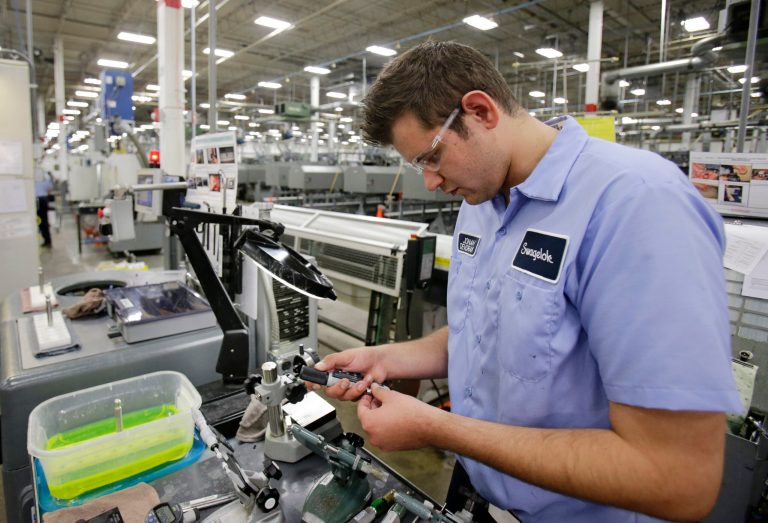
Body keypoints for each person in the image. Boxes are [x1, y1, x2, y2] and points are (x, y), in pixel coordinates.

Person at [310, 41, 742, 523]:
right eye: (418, 166)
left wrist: (439, 428)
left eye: (431, 157)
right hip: (484, 500)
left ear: (479, 110)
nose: (429, 182)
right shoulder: (480, 203)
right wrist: (389, 357)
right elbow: (486, 333)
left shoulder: (636, 205)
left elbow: (677, 478)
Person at [35, 170, 53, 247]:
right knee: (44, 221)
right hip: (44, 199)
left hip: (37, 200)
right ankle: (47, 240)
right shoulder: (46, 175)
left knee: (40, 221)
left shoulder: (32, 173)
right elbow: (50, 188)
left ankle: (46, 240)